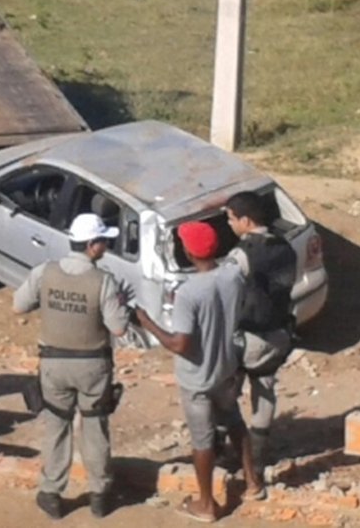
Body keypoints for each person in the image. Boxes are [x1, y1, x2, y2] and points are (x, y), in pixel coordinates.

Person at [134, 221, 264, 522]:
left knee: (202, 440)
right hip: (226, 367)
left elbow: (180, 344)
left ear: (189, 252)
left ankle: (206, 504)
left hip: (198, 378)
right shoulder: (232, 276)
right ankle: (253, 482)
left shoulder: (189, 292)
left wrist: (147, 322)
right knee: (234, 422)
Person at [13, 213, 131, 520]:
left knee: (56, 426)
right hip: (93, 367)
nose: (107, 245)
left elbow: (19, 305)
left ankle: (51, 493)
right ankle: (100, 494)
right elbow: (118, 328)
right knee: (94, 428)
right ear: (92, 245)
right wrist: (122, 303)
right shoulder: (103, 281)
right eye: (104, 241)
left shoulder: (44, 272)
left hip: (53, 364)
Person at [224, 191, 299, 484]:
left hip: (248, 336)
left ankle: (231, 452)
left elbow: (227, 292)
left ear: (245, 220)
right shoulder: (286, 247)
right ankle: (257, 454)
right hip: (279, 333)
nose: (229, 224)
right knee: (265, 391)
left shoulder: (241, 255)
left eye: (230, 218)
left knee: (227, 392)